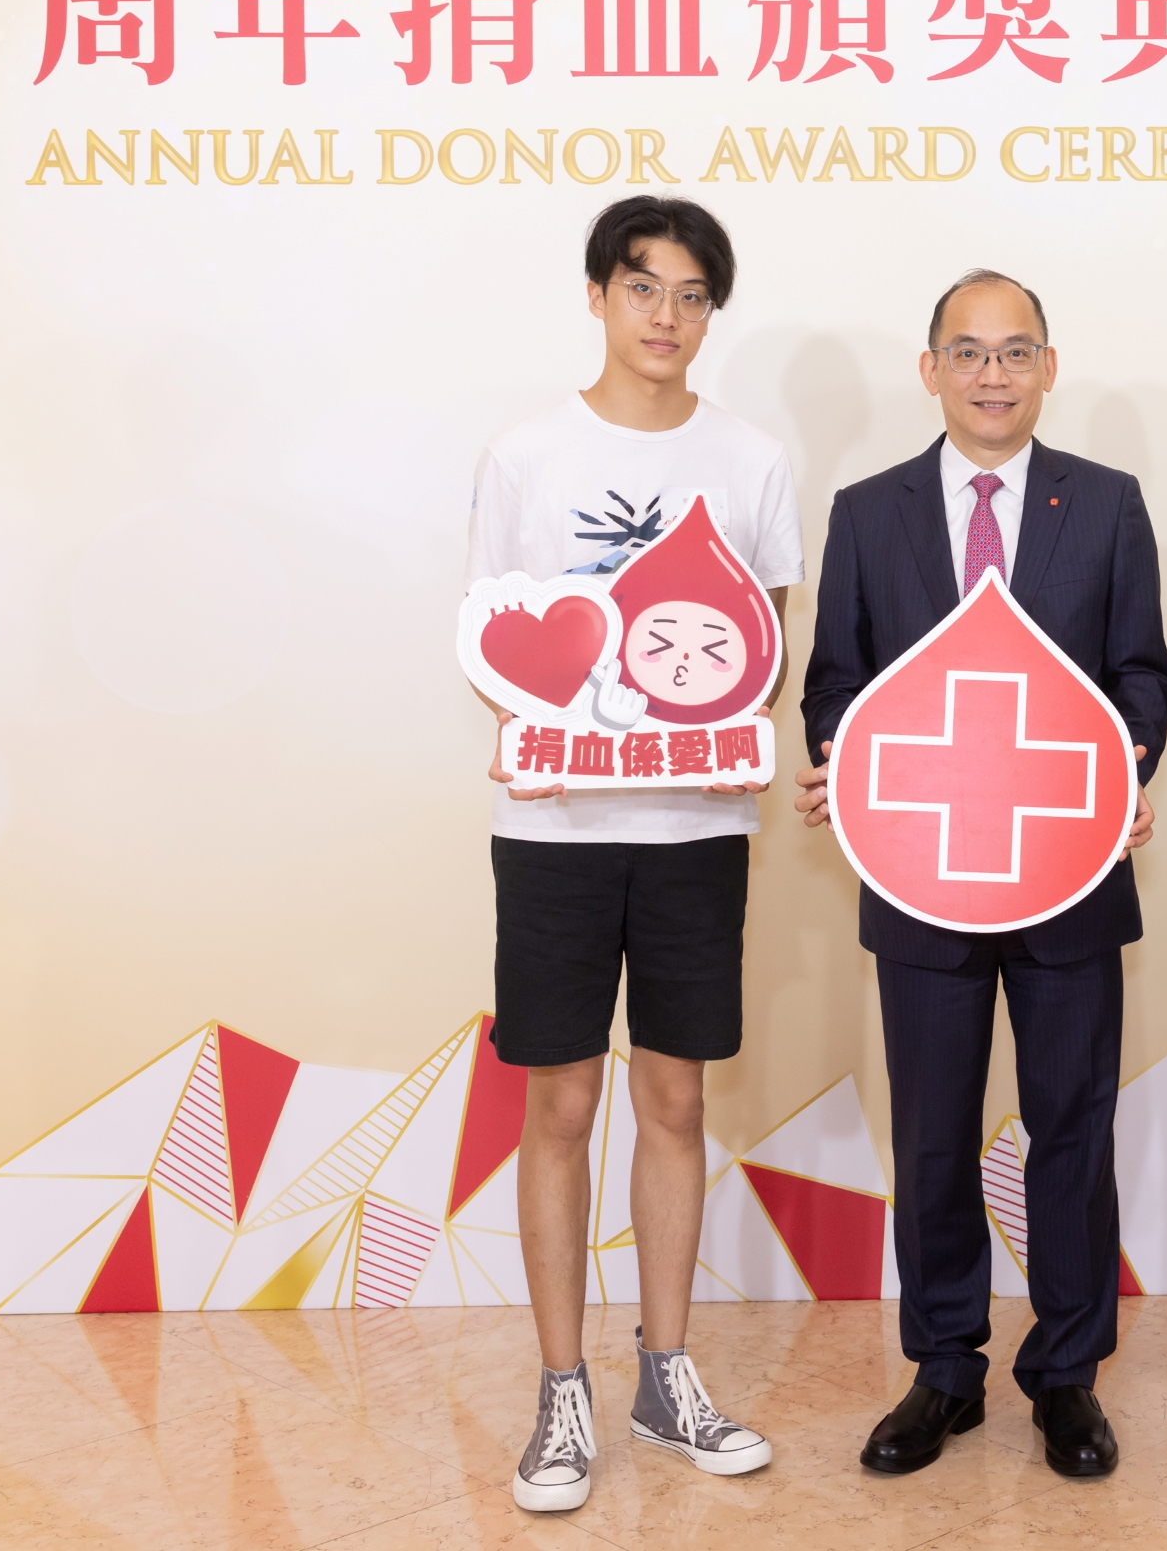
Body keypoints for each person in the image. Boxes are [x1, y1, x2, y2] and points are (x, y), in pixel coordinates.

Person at [794, 270, 1167, 1480]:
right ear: (930, 371)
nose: (992, 373)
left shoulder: (1106, 503)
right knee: (933, 1132)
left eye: (1015, 351)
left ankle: (1066, 1375)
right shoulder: (867, 510)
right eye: (967, 351)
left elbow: (1143, 676)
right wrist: (838, 765)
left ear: (1048, 367)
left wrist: (1118, 767)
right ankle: (943, 1371)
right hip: (918, 880)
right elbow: (833, 684)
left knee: (1072, 1123)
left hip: (1070, 874)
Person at [467, 195, 800, 1514]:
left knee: (673, 1103)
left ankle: (666, 1375)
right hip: (550, 834)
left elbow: (755, 658)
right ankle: (562, 1394)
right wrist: (547, 731)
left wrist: (715, 738)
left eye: (692, 296)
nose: (666, 317)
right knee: (557, 1107)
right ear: (598, 297)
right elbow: (498, 642)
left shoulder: (748, 458)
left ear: (711, 314)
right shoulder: (526, 455)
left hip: (692, 834)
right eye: (643, 288)